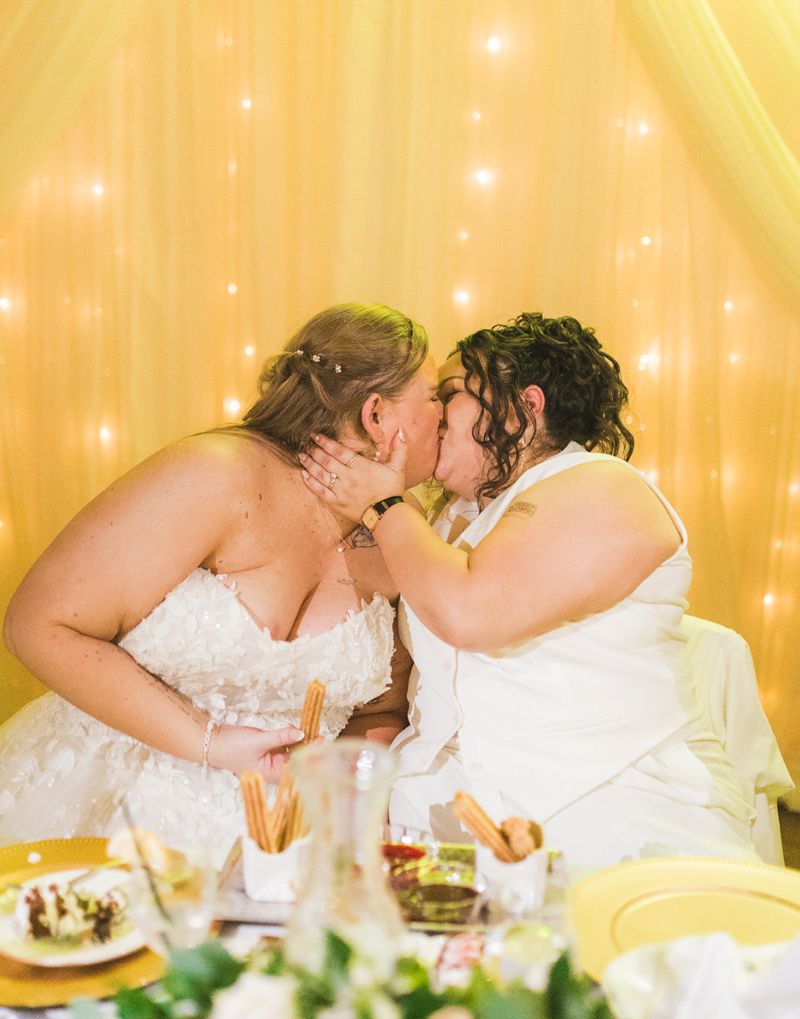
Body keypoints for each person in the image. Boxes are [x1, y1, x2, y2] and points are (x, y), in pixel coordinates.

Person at [300, 311, 760, 869]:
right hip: (449, 805)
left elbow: (469, 614)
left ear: (524, 407)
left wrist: (383, 506)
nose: (436, 414)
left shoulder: (602, 485)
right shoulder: (447, 519)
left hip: (604, 804)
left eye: (452, 393)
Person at [0, 303, 442, 863]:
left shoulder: (401, 528)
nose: (445, 415)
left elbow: (378, 711)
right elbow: (37, 625)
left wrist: (349, 799)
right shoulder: (217, 475)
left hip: (286, 840)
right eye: (434, 397)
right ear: (377, 414)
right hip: (116, 806)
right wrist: (208, 742)